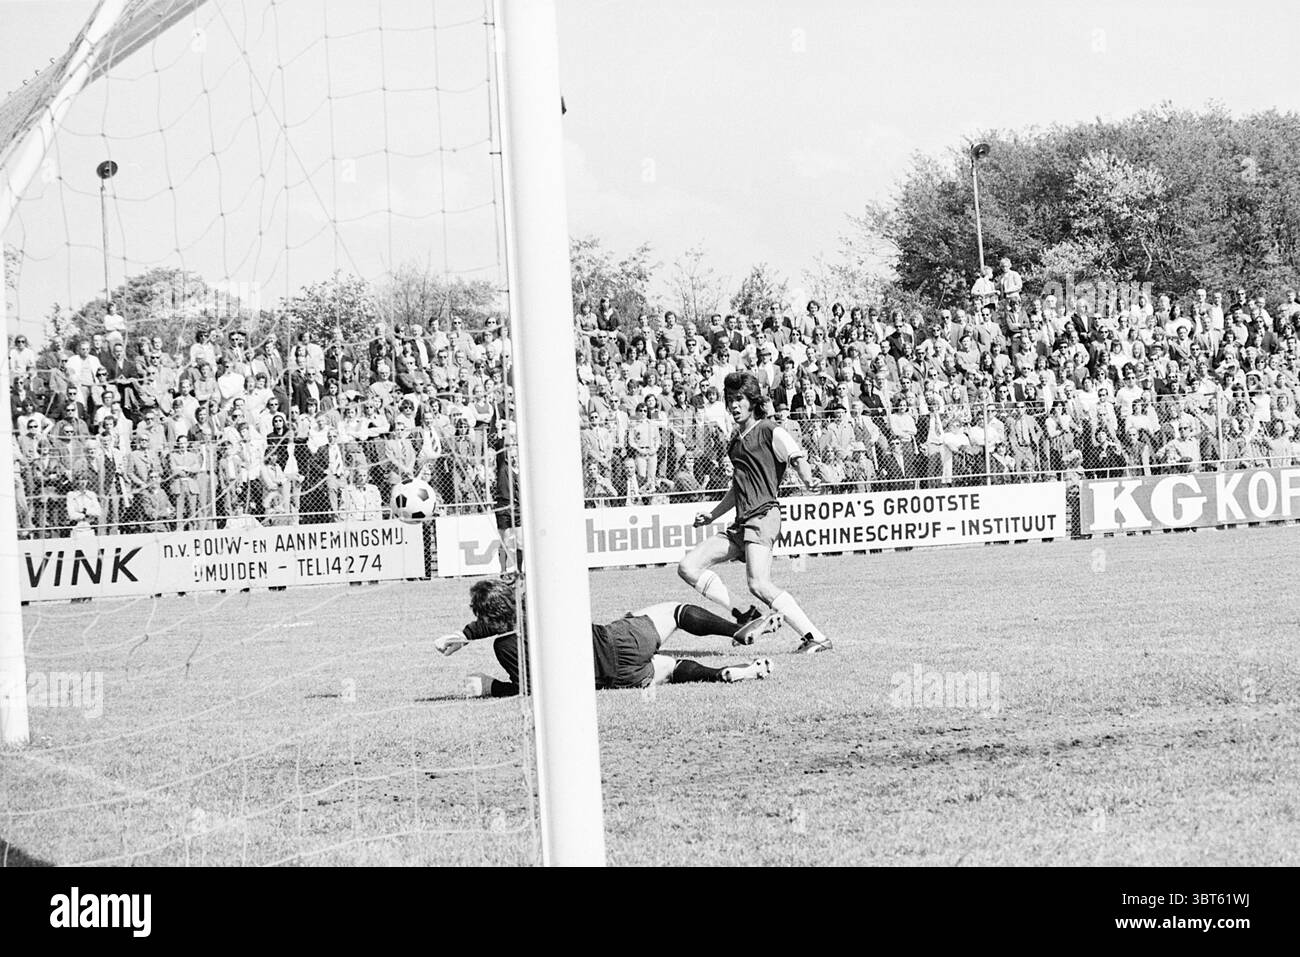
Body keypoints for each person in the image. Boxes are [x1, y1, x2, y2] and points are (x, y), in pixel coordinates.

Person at [676, 371, 831, 654]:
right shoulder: (735, 442)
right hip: (741, 521)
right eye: (729, 400)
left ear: (752, 401)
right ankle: (746, 614)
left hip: (763, 516)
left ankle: (815, 637)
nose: (733, 405)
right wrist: (712, 515)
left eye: (739, 399)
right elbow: (738, 488)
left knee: (759, 583)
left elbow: (795, 455)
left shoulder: (769, 429)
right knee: (688, 567)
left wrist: (808, 479)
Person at [441, 575, 783, 698]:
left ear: (489, 619)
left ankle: (717, 674)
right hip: (620, 640)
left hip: (616, 678)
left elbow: (532, 688)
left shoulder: (506, 647)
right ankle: (735, 630)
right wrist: (467, 634)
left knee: (674, 669)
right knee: (676, 611)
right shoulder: (537, 604)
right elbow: (512, 611)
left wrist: (490, 686)